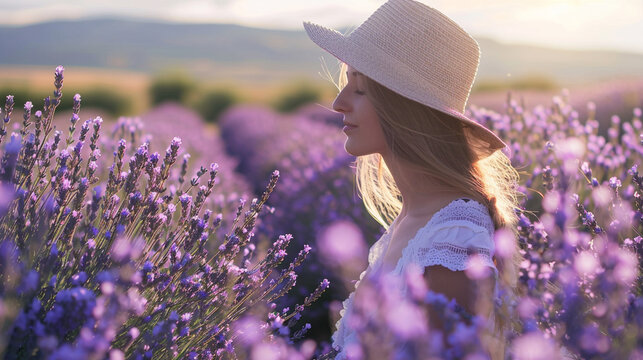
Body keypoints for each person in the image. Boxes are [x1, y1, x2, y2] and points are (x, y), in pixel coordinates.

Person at [303, 0, 521, 358]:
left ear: (404, 107)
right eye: (346, 83)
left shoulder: (453, 239)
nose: (339, 102)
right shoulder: (418, 219)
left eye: (360, 89)